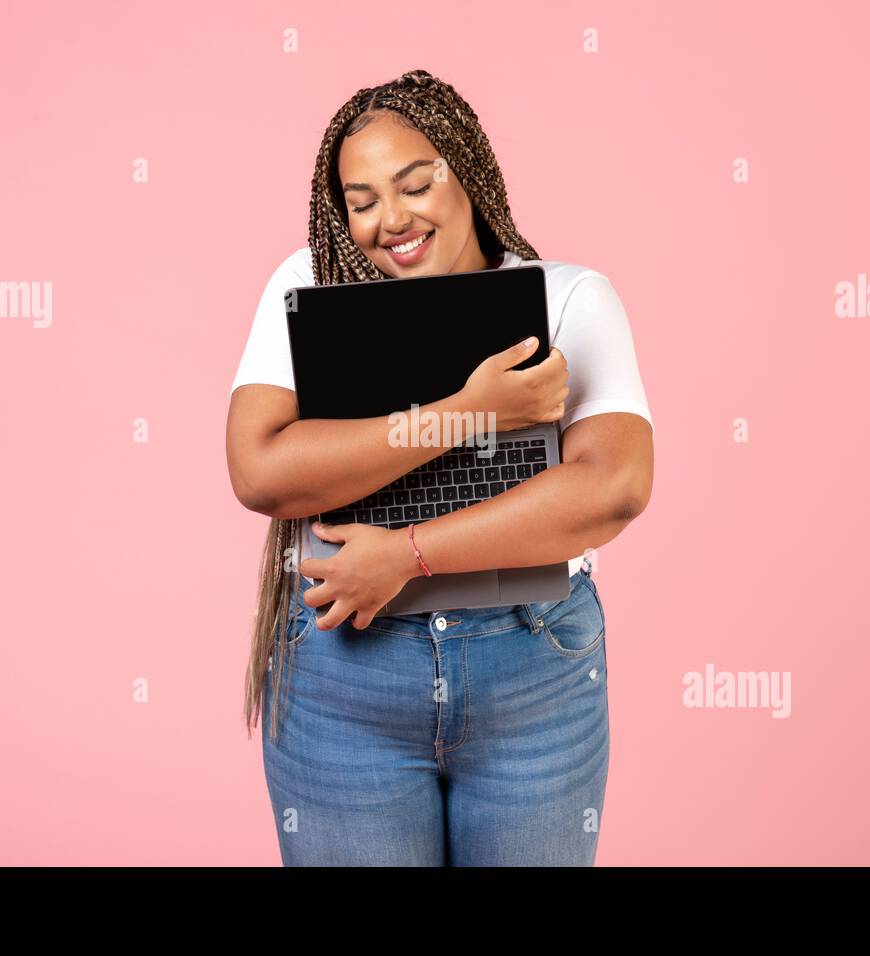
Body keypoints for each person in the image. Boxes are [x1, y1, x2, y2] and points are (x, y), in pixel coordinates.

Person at [226, 69, 653, 865]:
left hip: (532, 666)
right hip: (344, 667)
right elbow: (261, 472)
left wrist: (407, 556)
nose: (391, 220)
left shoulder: (569, 300)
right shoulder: (310, 284)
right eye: (360, 203)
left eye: (414, 184)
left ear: (467, 166)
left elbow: (611, 489)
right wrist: (474, 411)